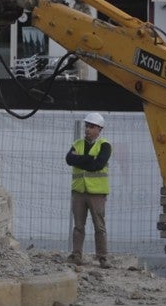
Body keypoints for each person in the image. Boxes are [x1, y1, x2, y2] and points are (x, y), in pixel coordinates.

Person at [66, 112, 112, 269]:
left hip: (97, 193)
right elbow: (68, 159)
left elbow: (98, 164)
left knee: (99, 225)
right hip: (79, 191)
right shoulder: (78, 143)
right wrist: (88, 160)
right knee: (78, 225)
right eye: (86, 126)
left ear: (99, 129)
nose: (87, 129)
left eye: (91, 126)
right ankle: (76, 255)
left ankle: (102, 257)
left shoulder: (105, 145)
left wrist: (79, 159)